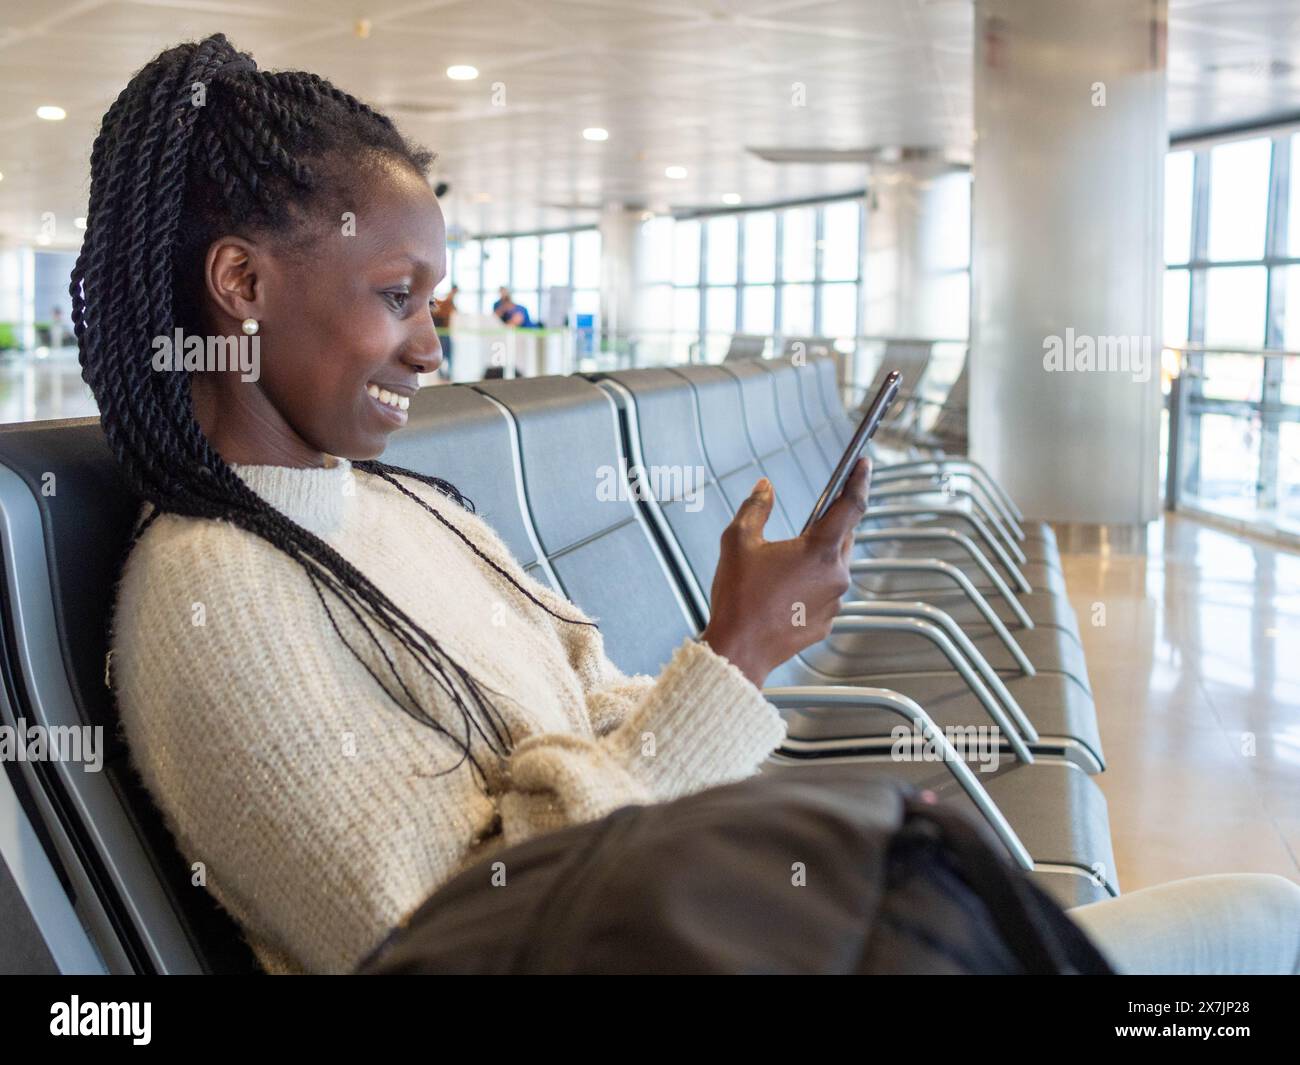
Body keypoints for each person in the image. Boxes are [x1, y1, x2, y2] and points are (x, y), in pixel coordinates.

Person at [76, 35, 1299, 976]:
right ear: (239, 282)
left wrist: (746, 681)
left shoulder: (403, 510)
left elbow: (599, 709)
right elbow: (451, 943)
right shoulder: (216, 590)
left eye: (434, 303)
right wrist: (737, 652)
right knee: (1255, 936)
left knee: (1250, 934)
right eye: (398, 295)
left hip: (722, 932)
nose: (431, 350)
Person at [430, 284, 456, 378]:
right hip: (440, 333)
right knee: (442, 354)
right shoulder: (441, 303)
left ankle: (447, 373)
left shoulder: (449, 303)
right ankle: (442, 374)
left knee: (448, 354)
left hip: (446, 333)